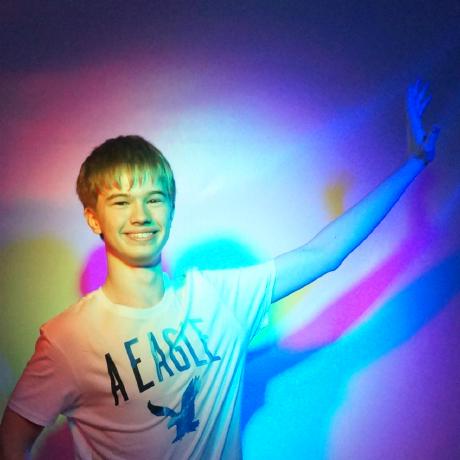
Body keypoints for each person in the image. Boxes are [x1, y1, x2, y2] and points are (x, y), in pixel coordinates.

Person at [0, 81, 440, 459]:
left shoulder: (217, 297)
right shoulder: (67, 341)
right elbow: (13, 440)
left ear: (171, 209)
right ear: (94, 218)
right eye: (121, 202)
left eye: (154, 199)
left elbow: (324, 254)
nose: (141, 215)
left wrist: (414, 163)